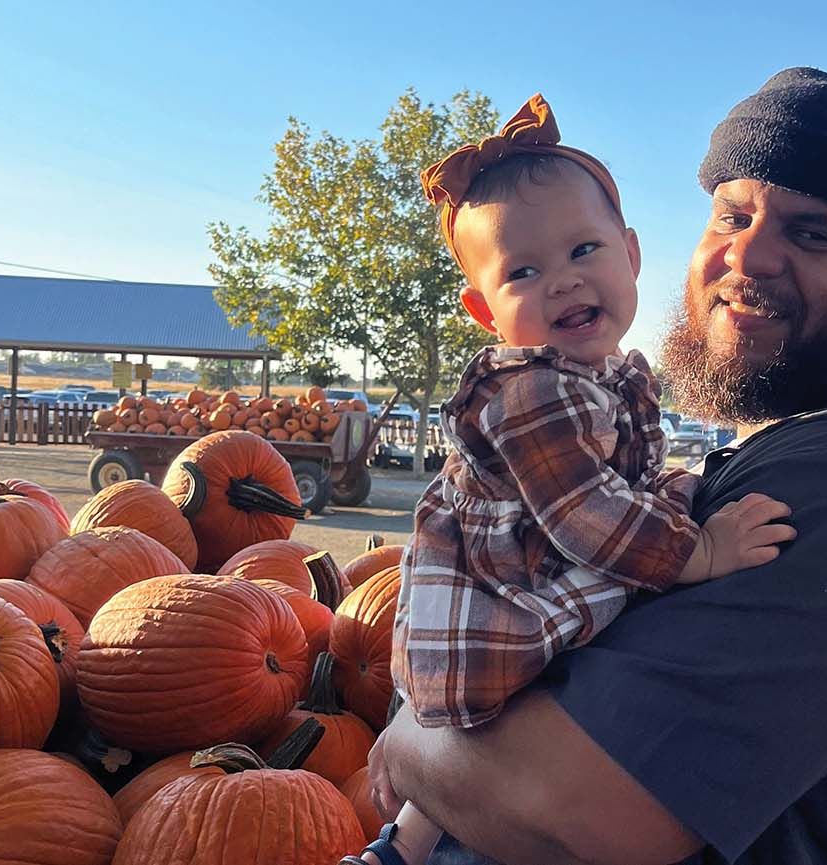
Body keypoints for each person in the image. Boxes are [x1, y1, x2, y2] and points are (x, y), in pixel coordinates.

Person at [367, 67, 827, 865]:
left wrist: (406, 738)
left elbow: (578, 815)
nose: (749, 256)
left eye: (813, 233)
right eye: (733, 214)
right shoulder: (788, 442)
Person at [342, 94, 798, 865]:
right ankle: (409, 844)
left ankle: (401, 847)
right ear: (485, 310)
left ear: (631, 254)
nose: (562, 281)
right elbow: (591, 515)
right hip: (503, 598)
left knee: (489, 735)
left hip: (540, 577)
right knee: (497, 730)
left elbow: (621, 476)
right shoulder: (531, 393)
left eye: (583, 251)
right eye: (524, 271)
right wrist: (702, 552)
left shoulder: (604, 375)